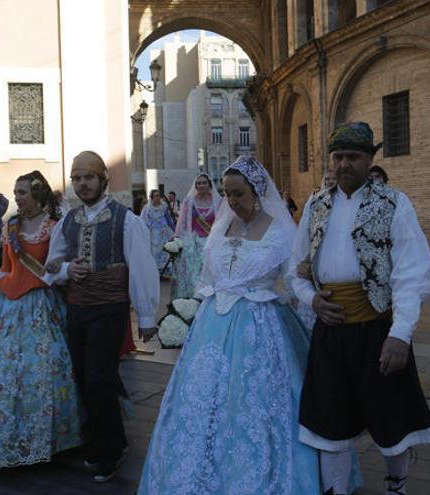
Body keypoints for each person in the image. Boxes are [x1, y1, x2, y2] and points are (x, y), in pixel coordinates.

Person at [138, 157, 323, 494]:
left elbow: (294, 280)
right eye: (227, 194)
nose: (232, 201)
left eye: (238, 194)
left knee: (255, 399)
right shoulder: (222, 227)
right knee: (203, 400)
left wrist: (313, 301)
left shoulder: (282, 231)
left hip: (262, 326)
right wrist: (189, 307)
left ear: (257, 191)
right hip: (213, 324)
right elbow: (208, 277)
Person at [290, 122, 430, 495]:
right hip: (330, 329)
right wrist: (311, 298)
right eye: (337, 157)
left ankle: (397, 484)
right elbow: (297, 268)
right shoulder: (315, 204)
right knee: (330, 418)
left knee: (392, 417)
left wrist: (400, 334)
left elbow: (412, 272)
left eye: (352, 156)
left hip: (376, 328)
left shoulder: (393, 203)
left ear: (370, 160)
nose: (343, 165)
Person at [45, 151, 160, 483]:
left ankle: (110, 451)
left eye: (89, 177)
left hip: (110, 309)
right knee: (83, 377)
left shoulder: (126, 219)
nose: (83, 184)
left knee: (99, 378)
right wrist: (68, 269)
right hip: (78, 309)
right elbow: (52, 268)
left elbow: (141, 267)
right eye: (77, 179)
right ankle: (106, 440)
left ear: (103, 179)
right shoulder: (67, 221)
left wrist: (147, 315)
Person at [0, 171, 80, 468]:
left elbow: (59, 268)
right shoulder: (10, 227)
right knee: (3, 373)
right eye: (15, 192)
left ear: (38, 195)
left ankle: (50, 436)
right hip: (7, 306)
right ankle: (5, 436)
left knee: (42, 369)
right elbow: (5, 267)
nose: (16, 197)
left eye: (23, 192)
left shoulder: (54, 228)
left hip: (41, 304)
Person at [172, 173, 222, 299]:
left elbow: (222, 222)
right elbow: (182, 221)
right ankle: (193, 300)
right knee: (193, 275)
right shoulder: (189, 201)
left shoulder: (217, 201)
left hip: (212, 243)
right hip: (193, 244)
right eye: (198, 183)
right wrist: (177, 239)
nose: (201, 185)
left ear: (209, 184)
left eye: (204, 182)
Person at [140, 189, 176, 276]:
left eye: (158, 195)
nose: (157, 197)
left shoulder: (164, 206)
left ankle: (164, 270)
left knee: (164, 251)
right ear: (151, 197)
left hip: (163, 232)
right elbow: (142, 221)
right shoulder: (147, 208)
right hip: (152, 233)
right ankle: (154, 271)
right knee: (153, 251)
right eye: (155, 196)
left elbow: (169, 219)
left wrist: (175, 230)